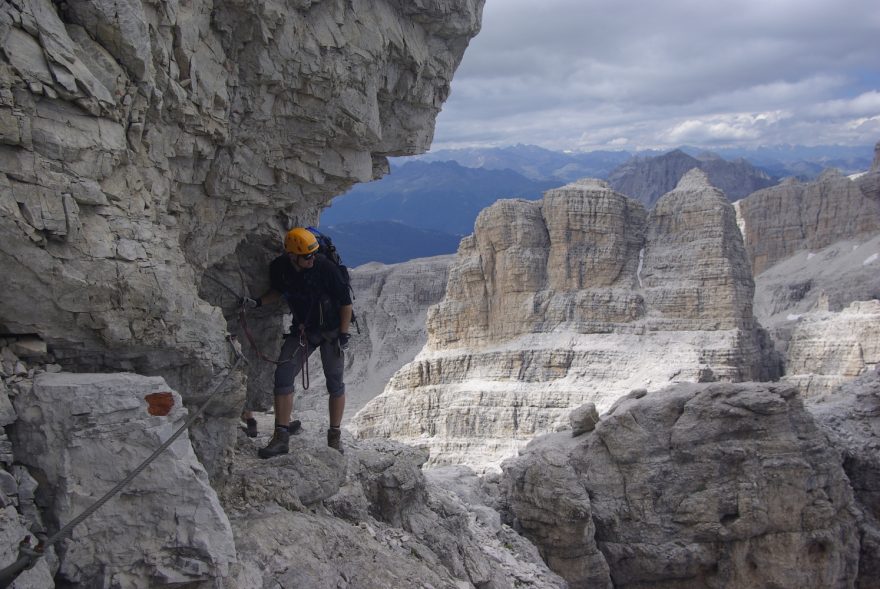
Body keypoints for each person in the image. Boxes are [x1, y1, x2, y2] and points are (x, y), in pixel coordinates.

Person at [240, 227, 352, 457]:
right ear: (292, 255)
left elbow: (345, 303)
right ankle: (281, 437)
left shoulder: (326, 268)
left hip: (331, 332)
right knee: (283, 375)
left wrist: (343, 334)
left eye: (313, 254)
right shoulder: (280, 268)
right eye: (307, 256)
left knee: (335, 383)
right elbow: (279, 292)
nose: (312, 259)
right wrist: (258, 303)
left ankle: (334, 438)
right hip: (304, 330)